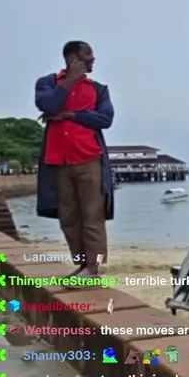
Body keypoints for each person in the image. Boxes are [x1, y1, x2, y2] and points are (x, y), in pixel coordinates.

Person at [34, 41, 115, 277]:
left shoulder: (98, 89)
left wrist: (70, 114)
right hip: (59, 162)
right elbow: (47, 104)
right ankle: (82, 265)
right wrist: (69, 80)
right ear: (74, 58)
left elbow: (105, 119)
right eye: (88, 53)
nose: (93, 58)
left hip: (90, 159)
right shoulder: (47, 83)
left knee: (93, 216)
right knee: (68, 218)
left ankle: (94, 268)